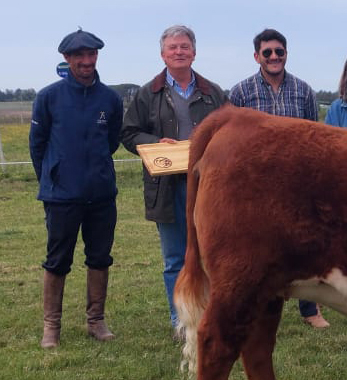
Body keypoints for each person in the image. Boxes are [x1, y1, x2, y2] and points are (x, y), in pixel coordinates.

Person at [120, 25, 227, 337]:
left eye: (184, 47)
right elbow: (128, 133)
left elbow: (231, 129)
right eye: (173, 48)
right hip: (167, 188)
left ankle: (210, 317)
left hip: (208, 185)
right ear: (162, 54)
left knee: (211, 254)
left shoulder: (213, 93)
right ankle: (180, 320)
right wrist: (156, 142)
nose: (179, 52)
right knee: (174, 258)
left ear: (194, 52)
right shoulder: (147, 93)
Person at [228, 28, 330, 329]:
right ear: (257, 56)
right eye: (267, 52)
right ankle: (256, 307)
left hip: (297, 182)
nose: (274, 57)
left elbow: (314, 135)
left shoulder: (303, 90)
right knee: (255, 247)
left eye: (279, 52)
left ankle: (311, 310)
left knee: (305, 245)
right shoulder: (240, 92)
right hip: (255, 183)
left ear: (286, 54)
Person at [29, 28, 123, 348]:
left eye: (91, 54)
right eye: (79, 56)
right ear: (67, 59)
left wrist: (95, 172)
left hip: (101, 195)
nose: (86, 61)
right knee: (57, 260)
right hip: (61, 195)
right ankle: (51, 327)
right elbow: (37, 147)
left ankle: (96, 321)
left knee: (100, 257)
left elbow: (110, 142)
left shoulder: (110, 99)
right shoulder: (49, 97)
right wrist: (54, 176)